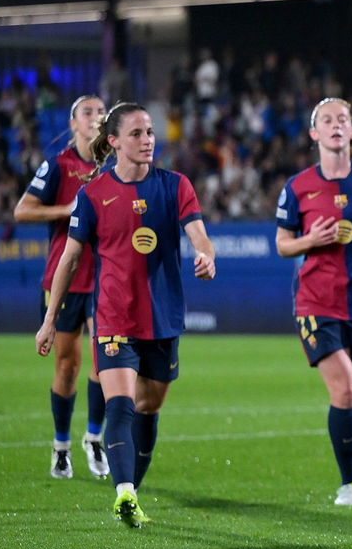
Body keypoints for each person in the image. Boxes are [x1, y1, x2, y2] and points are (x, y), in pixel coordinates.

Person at [35, 102, 216, 527]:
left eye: (150, 132)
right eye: (136, 133)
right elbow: (70, 259)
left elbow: (199, 235)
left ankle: (133, 485)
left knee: (148, 406)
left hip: (163, 317)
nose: (147, 140)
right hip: (113, 318)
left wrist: (207, 256)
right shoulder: (93, 194)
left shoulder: (175, 186)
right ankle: (124, 492)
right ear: (114, 141)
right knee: (120, 405)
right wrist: (49, 320)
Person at [275, 98, 352, 507]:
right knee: (343, 391)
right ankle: (350, 484)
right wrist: (310, 241)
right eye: (326, 121)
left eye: (341, 120)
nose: (334, 126)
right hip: (317, 301)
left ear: (351, 130)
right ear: (314, 134)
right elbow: (282, 245)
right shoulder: (297, 186)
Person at [15, 95, 110, 480]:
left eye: (101, 112)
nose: (96, 117)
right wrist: (66, 210)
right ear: (73, 123)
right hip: (66, 278)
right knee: (68, 366)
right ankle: (61, 446)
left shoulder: (116, 168)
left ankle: (94, 437)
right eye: (87, 112)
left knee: (106, 363)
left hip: (106, 278)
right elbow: (23, 210)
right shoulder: (58, 166)